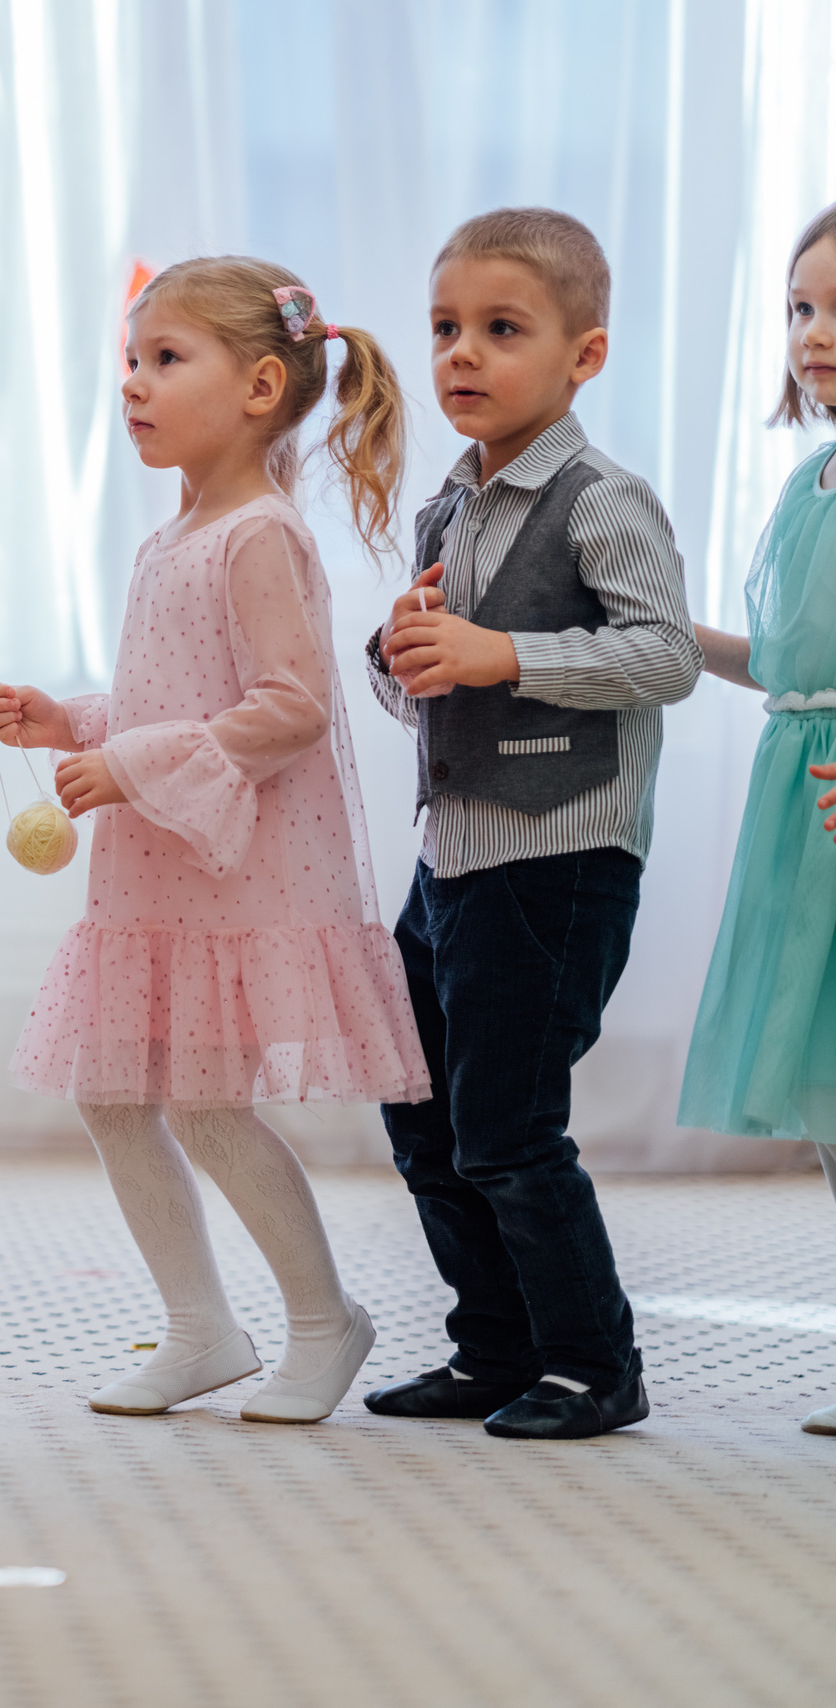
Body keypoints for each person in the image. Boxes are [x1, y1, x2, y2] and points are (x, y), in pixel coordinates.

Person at [0, 256, 428, 1425]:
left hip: (240, 869)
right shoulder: (169, 537)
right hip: (160, 863)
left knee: (208, 1106)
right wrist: (72, 721)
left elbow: (291, 706)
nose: (131, 382)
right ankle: (200, 1328)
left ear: (260, 383)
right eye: (130, 359)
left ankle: (326, 1322)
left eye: (165, 359)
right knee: (114, 1094)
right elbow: (165, 691)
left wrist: (126, 761)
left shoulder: (260, 537)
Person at [368, 207, 701, 1440]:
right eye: (446, 327)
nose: (461, 354)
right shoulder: (446, 513)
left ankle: (591, 1362)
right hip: (448, 851)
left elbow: (662, 655)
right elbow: (425, 685)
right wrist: (402, 654)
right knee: (421, 1111)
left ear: (584, 355)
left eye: (500, 330)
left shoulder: (601, 497)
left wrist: (498, 649)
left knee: (508, 1124)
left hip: (556, 855)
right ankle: (493, 1345)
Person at [677, 200, 836, 1439]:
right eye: (799, 307)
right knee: (822, 1077)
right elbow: (789, 660)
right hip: (799, 789)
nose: (812, 333)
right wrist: (669, 635)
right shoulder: (807, 482)